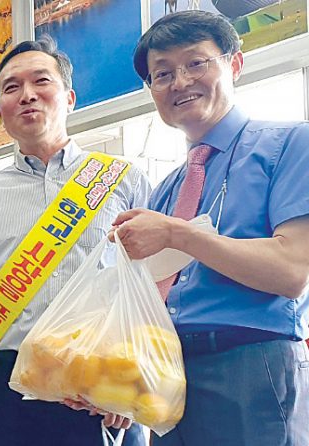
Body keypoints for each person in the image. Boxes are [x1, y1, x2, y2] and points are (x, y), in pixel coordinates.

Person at [0, 37, 151, 445]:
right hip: (11, 383)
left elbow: (154, 283)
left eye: (41, 81)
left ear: (70, 98)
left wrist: (137, 371)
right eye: (11, 87)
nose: (26, 95)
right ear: (0, 111)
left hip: (105, 378)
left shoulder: (124, 180)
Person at [113, 10, 309, 445]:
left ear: (234, 63)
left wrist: (177, 234)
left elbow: (291, 271)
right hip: (167, 376)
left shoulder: (290, 144)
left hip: (250, 365)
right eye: (162, 74)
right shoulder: (166, 189)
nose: (180, 82)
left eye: (196, 63)